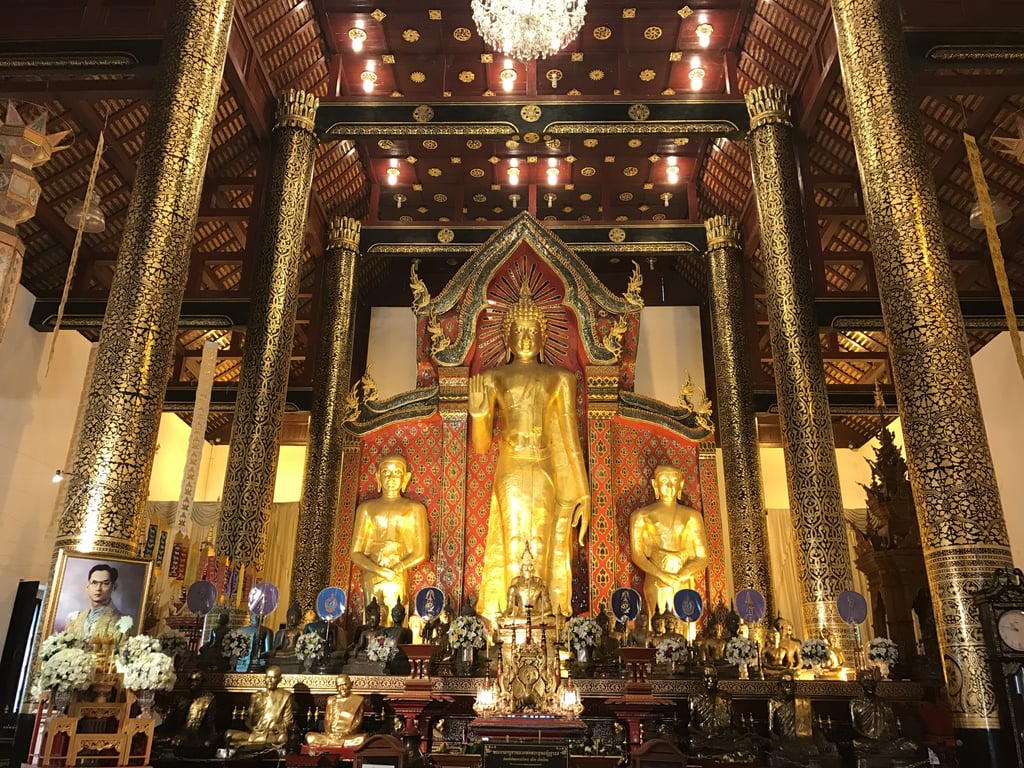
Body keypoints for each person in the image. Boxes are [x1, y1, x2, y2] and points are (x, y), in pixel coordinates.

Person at [469, 283, 591, 618]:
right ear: (507, 336)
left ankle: (545, 619)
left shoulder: (561, 378)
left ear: (542, 335)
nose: (525, 338)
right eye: (518, 331)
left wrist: (583, 491)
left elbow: (569, 438)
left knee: (541, 541)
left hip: (545, 466)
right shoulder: (493, 377)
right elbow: (481, 446)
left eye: (531, 331)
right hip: (511, 467)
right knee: (512, 544)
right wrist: (479, 415)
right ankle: (507, 621)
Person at [349, 455, 430, 615]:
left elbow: (421, 553)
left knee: (396, 618)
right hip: (372, 574)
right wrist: (378, 570)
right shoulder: (366, 509)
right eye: (386, 472)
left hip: (397, 575)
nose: (391, 478)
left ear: (405, 478)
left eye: (397, 473)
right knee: (371, 620)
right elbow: (355, 552)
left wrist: (396, 568)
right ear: (378, 476)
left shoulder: (414, 509)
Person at [629, 465, 708, 624]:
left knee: (684, 624)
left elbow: (703, 557)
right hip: (657, 578)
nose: (670, 485)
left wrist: (681, 576)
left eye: (674, 481)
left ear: (681, 485)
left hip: (683, 578)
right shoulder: (641, 515)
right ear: (654, 484)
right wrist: (663, 576)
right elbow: (637, 555)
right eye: (664, 481)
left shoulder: (692, 516)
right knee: (659, 621)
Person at [689, 666, 759, 760]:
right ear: (701, 678)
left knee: (746, 743)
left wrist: (732, 734)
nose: (711, 680)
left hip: (724, 738)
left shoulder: (726, 697)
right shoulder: (695, 698)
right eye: (707, 676)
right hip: (705, 738)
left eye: (714, 677)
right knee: (692, 742)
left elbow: (735, 724)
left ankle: (716, 755)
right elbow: (690, 726)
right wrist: (705, 735)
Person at [768, 673, 838, 767]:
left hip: (806, 737)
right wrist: (776, 740)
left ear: (795, 685)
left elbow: (814, 725)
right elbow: (771, 729)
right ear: (779, 685)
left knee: (829, 749)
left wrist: (821, 739)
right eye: (785, 683)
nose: (789, 685)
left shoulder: (803, 701)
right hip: (786, 739)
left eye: (791, 683)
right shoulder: (774, 702)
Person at [850, 669, 919, 756]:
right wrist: (869, 737)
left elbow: (891, 722)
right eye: (867, 682)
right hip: (866, 740)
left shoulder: (883, 702)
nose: (870, 685)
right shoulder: (855, 703)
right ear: (860, 684)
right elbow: (855, 726)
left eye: (872, 682)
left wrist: (889, 735)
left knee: (912, 745)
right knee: (857, 743)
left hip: (885, 740)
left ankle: (881, 749)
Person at [225, 666, 294, 751]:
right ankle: (256, 743)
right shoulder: (256, 696)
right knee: (229, 734)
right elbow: (248, 720)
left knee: (283, 738)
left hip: (272, 734)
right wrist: (252, 728)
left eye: (273, 678)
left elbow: (288, 722)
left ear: (280, 679)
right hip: (255, 734)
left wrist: (272, 727)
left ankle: (247, 744)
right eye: (267, 677)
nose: (269, 680)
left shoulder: (286, 696)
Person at [64, 563, 129, 640]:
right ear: (87, 586)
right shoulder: (75, 620)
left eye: (105, 583)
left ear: (114, 587)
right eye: (94, 583)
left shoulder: (123, 622)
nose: (98, 588)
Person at [305, 674, 366, 749]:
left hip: (347, 735)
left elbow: (357, 721)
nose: (342, 688)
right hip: (331, 735)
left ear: (351, 684)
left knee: (362, 739)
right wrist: (330, 733)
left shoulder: (359, 700)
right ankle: (339, 744)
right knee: (309, 737)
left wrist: (347, 732)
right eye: (339, 686)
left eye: (344, 684)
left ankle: (334, 744)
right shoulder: (331, 700)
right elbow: (327, 720)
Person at [502, 546, 554, 618]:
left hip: (536, 617)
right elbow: (509, 608)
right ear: (521, 569)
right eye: (525, 567)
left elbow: (549, 609)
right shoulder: (514, 587)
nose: (527, 570)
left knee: (551, 620)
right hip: (520, 617)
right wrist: (505, 615)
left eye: (529, 566)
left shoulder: (540, 586)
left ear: (533, 568)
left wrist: (538, 616)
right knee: (506, 620)